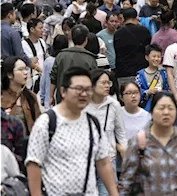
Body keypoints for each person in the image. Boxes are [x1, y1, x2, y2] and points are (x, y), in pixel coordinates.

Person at [25, 67, 118, 196]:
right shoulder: (47, 123)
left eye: (88, 90)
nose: (84, 94)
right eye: (79, 89)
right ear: (63, 91)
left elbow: (103, 162)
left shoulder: (93, 123)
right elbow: (33, 163)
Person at [118, 92, 177, 195]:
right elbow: (126, 182)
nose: (166, 112)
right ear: (151, 112)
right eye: (161, 108)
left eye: (170, 108)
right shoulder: (139, 142)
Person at [85, 70, 127, 196]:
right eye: (103, 83)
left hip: (109, 158)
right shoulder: (82, 105)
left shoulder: (114, 105)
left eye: (108, 83)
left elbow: (121, 133)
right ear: (92, 85)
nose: (107, 85)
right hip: (86, 160)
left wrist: (126, 154)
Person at [49, 24, 98, 106]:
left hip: (63, 98)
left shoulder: (61, 55)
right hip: (83, 99)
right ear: (86, 39)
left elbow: (53, 78)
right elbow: (94, 81)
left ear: (72, 37)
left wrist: (51, 96)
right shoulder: (90, 59)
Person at [0, 56, 41, 135]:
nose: (25, 72)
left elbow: (39, 124)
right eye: (20, 69)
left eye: (26, 69)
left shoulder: (30, 97)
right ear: (9, 74)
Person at [114, 8, 152, 85]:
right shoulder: (144, 31)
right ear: (136, 17)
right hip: (141, 70)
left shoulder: (118, 33)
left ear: (123, 18)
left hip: (123, 72)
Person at [136, 44, 170, 111]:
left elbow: (168, 88)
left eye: (159, 57)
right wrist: (148, 92)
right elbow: (137, 91)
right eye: (154, 56)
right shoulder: (140, 75)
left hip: (162, 106)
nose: (156, 59)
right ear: (147, 57)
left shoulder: (163, 73)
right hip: (147, 108)